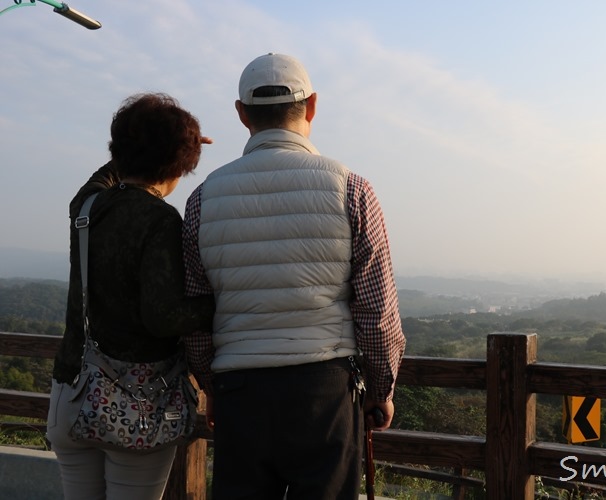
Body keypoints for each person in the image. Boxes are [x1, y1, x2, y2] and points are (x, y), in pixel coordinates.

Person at [182, 53, 406, 499]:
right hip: (324, 392)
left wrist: (211, 385)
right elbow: (376, 310)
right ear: (313, 106)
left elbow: (195, 312)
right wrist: (381, 388)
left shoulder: (203, 199)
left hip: (239, 392)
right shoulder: (352, 188)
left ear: (241, 114)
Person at [46, 92, 216, 500]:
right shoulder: (159, 218)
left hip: (72, 391)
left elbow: (107, 175)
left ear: (119, 152)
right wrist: (218, 301)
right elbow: (163, 316)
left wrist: (141, 137)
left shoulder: (86, 207)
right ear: (180, 164)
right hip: (136, 404)